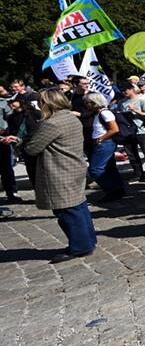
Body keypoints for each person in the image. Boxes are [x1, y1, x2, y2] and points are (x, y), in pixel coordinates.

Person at [22, 89, 98, 263]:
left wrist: (20, 142)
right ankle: (88, 241)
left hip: (60, 170)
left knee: (67, 211)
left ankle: (80, 247)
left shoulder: (52, 123)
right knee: (78, 207)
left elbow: (33, 148)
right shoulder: (71, 117)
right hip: (73, 167)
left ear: (48, 103)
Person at [83, 92, 127, 203]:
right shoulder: (99, 113)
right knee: (110, 168)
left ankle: (111, 191)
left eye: (88, 102)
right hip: (104, 143)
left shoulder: (105, 113)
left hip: (105, 143)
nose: (86, 105)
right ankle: (118, 190)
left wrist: (101, 139)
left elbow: (114, 129)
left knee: (95, 169)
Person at [115, 82, 145, 182]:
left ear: (132, 89)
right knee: (132, 155)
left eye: (126, 90)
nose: (124, 92)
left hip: (142, 131)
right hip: (128, 132)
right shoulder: (121, 103)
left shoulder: (142, 100)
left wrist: (135, 110)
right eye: (122, 91)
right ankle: (139, 174)